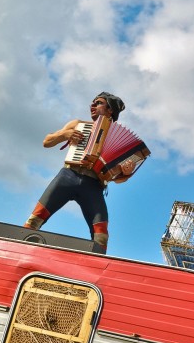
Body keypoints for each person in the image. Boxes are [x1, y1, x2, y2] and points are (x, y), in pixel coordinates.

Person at [23, 92, 127, 254]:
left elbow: (119, 179)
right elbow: (47, 142)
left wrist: (124, 172)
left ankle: (96, 264)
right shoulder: (78, 124)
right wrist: (64, 135)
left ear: (110, 110)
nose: (92, 105)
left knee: (101, 234)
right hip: (68, 176)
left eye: (98, 103)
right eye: (92, 102)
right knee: (36, 218)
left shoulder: (120, 141)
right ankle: (18, 248)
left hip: (94, 185)